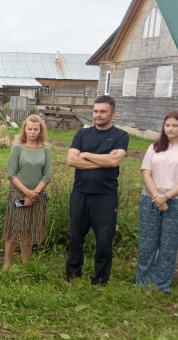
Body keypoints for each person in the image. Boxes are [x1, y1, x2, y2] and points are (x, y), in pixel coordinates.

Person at [65, 95, 129, 285]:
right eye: (95, 111)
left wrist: (85, 155)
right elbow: (71, 161)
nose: (98, 115)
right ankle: (73, 274)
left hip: (106, 196)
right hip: (80, 193)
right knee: (75, 236)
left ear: (113, 113)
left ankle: (100, 279)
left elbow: (115, 161)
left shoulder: (120, 136)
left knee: (104, 240)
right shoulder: (82, 135)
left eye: (103, 111)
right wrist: (103, 161)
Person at [136, 110, 178, 293]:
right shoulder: (155, 147)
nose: (170, 129)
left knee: (168, 246)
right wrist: (157, 196)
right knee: (147, 244)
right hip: (150, 199)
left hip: (177, 201)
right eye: (167, 125)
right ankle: (143, 282)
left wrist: (167, 196)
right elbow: (146, 172)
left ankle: (162, 285)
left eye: (175, 125)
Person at [3, 115, 52, 270]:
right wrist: (26, 192)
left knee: (29, 230)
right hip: (18, 195)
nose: (32, 132)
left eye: (35, 129)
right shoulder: (18, 148)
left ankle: (25, 263)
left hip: (37, 196)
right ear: (24, 129)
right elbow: (11, 173)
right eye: (29, 129)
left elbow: (47, 175)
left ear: (40, 130)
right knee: (14, 228)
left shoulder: (46, 150)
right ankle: (7, 263)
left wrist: (34, 193)